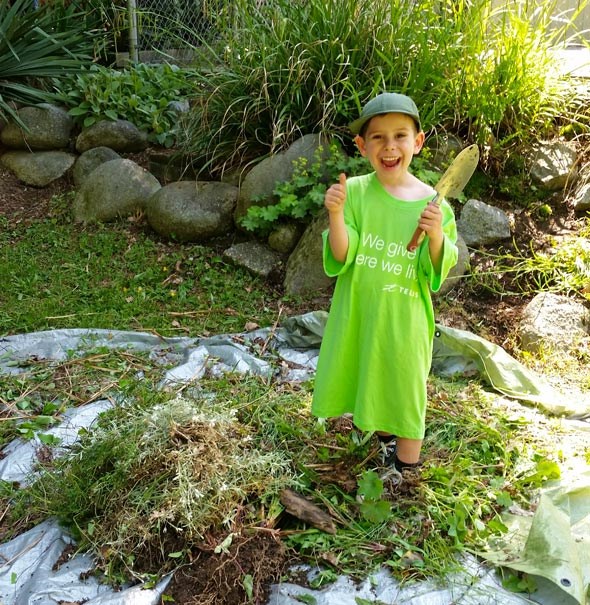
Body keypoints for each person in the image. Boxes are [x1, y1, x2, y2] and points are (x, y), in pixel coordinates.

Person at [311, 92, 458, 476]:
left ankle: (406, 472)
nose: (390, 147)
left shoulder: (433, 204)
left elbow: (437, 269)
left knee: (406, 387)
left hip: (405, 318)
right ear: (362, 146)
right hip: (361, 311)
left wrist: (436, 235)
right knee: (371, 377)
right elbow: (343, 255)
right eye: (378, 138)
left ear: (418, 142)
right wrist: (337, 214)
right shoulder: (356, 192)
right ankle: (385, 444)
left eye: (400, 136)